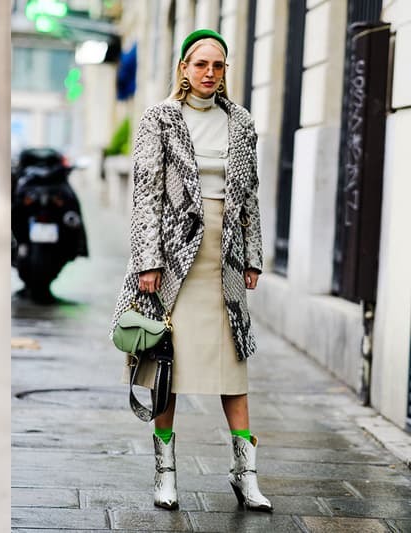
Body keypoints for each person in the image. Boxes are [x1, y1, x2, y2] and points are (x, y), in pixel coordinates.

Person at [110, 29, 272, 512]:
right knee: (167, 365)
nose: (208, 73)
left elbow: (251, 196)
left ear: (225, 72)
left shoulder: (241, 123)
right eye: (200, 64)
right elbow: (146, 195)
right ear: (183, 68)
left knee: (233, 369)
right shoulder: (160, 118)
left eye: (217, 66)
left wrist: (254, 256)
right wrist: (148, 261)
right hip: (174, 258)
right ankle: (166, 474)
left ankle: (246, 475)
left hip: (225, 256)